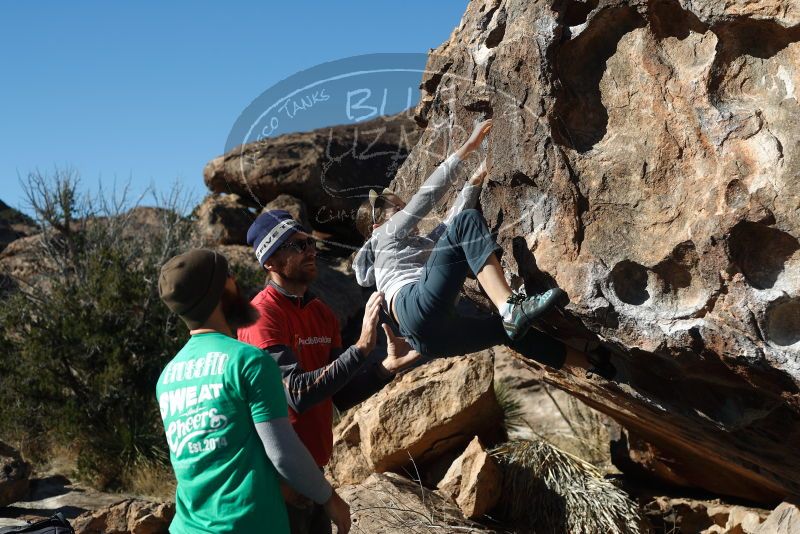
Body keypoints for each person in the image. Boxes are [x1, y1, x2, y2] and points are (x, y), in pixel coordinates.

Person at [353, 119, 615, 377]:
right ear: (377, 225)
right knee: (468, 224)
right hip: (416, 305)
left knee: (507, 332)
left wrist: (474, 182)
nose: (403, 211)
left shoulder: (404, 251)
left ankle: (591, 364)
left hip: (428, 340)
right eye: (397, 209)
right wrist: (467, 147)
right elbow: (426, 198)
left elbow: (448, 227)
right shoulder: (384, 237)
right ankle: (510, 305)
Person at [237, 211, 422, 534]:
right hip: (274, 482)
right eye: (296, 246)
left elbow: (340, 394)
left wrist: (385, 368)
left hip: (314, 475)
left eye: (309, 242)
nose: (310, 250)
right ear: (270, 262)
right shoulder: (262, 316)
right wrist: (361, 348)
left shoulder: (321, 312)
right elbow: (297, 394)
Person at [156, 249, 351, 534]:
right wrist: (330, 499)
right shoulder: (247, 362)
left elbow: (211, 452)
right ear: (220, 289)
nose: (237, 282)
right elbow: (282, 451)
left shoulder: (168, 377)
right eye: (229, 276)